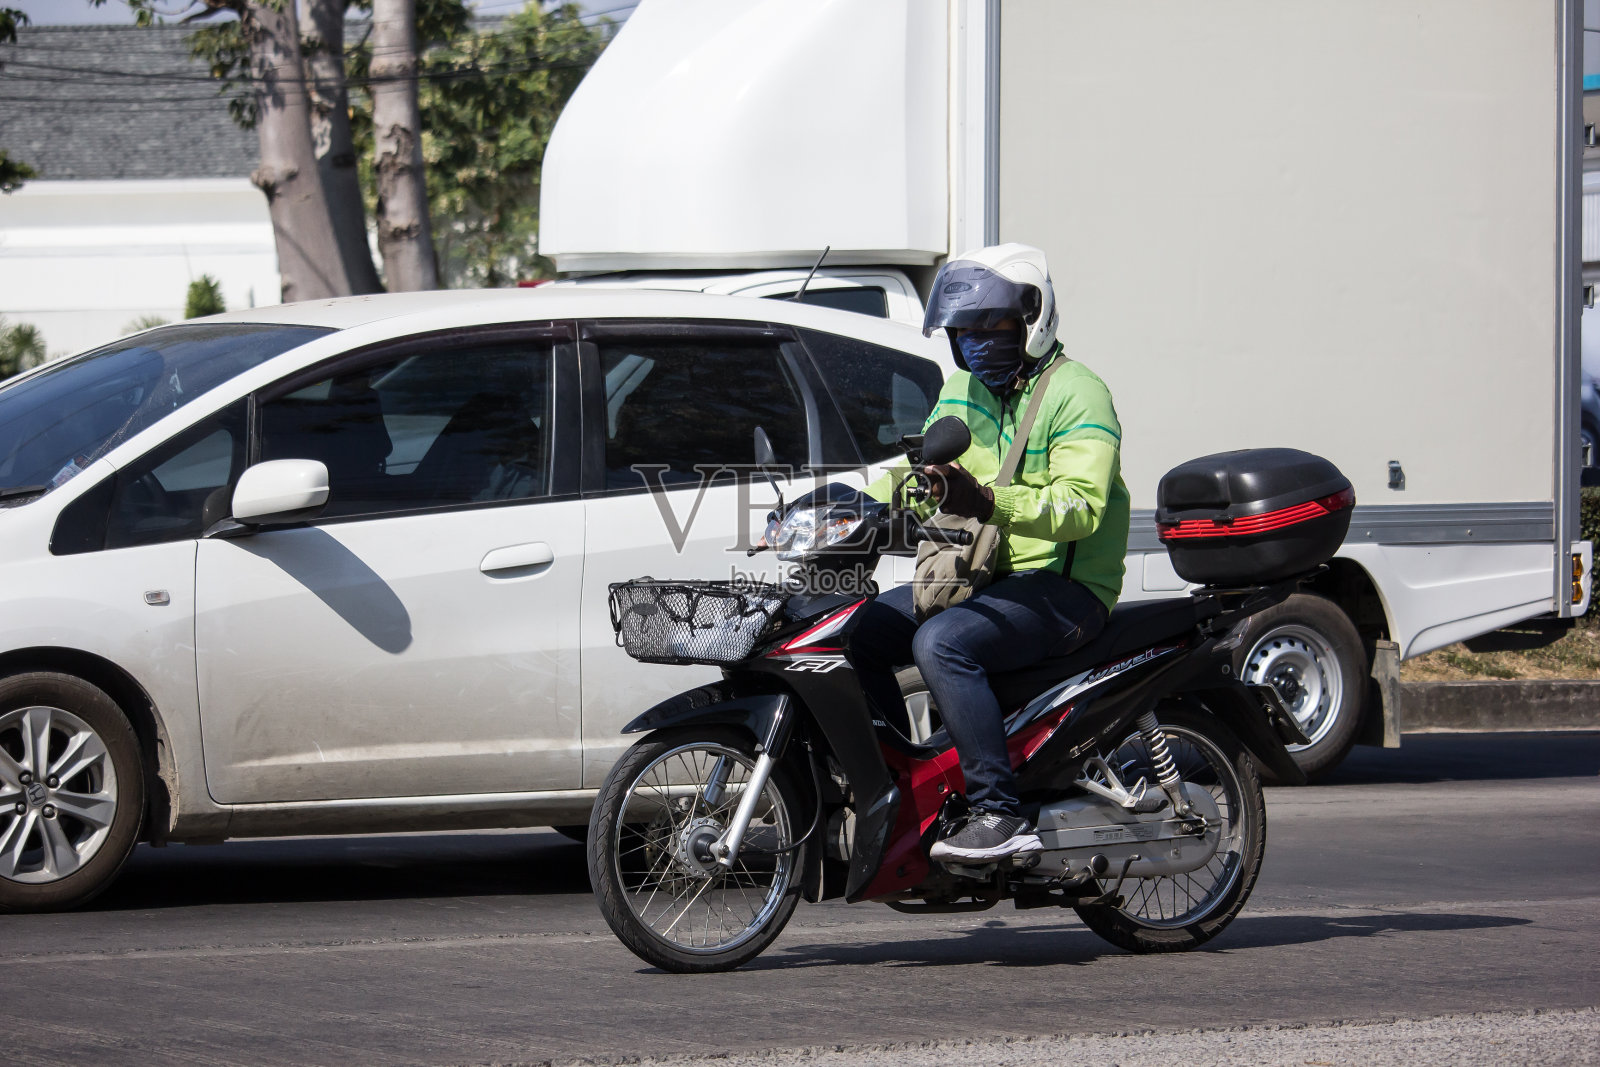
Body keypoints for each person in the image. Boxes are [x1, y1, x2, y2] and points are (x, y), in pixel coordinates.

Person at [854, 243, 1132, 864]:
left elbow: (1081, 505)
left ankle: (998, 813)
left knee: (942, 643)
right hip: (990, 581)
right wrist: (852, 507)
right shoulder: (965, 390)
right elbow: (925, 473)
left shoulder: (1078, 394)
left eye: (989, 326)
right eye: (963, 331)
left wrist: (991, 503)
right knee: (860, 630)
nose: (975, 342)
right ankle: (908, 785)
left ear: (1031, 319)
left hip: (1066, 589)